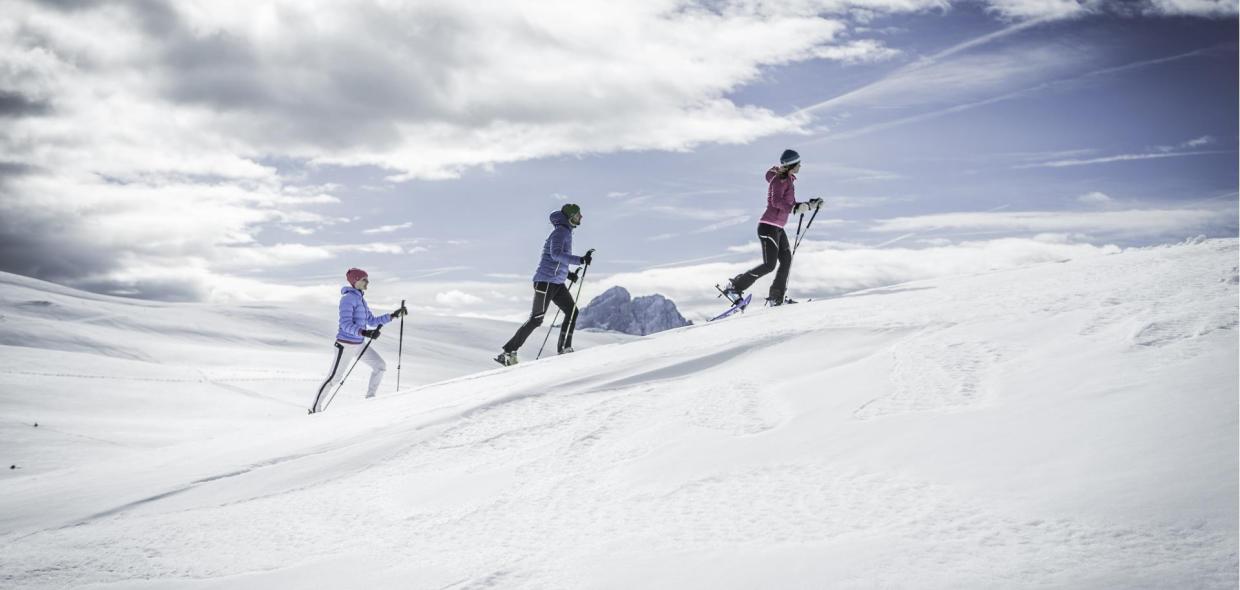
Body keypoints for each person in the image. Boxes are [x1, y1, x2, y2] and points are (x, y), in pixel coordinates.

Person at [495, 204, 594, 366]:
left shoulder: (565, 232)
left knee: (572, 311)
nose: (581, 217)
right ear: (570, 217)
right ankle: (507, 353)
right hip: (545, 282)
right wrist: (580, 260)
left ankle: (564, 348)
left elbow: (554, 259)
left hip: (556, 282)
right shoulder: (560, 232)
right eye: (577, 215)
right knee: (536, 319)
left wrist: (568, 275)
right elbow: (555, 255)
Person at [722, 149, 822, 306]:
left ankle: (776, 297)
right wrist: (795, 209)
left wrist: (810, 205)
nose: (800, 166)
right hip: (768, 226)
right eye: (798, 164)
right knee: (769, 265)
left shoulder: (788, 180)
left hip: (778, 228)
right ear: (791, 165)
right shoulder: (779, 180)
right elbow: (776, 202)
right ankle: (735, 286)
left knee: (787, 260)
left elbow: (789, 204)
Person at [310, 267, 407, 412]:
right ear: (355, 281)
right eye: (364, 279)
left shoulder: (361, 300)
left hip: (359, 344)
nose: (367, 282)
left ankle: (370, 399)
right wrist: (364, 332)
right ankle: (314, 409)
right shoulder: (347, 299)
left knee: (380, 366)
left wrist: (393, 315)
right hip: (345, 345)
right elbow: (345, 324)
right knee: (334, 378)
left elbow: (372, 321)